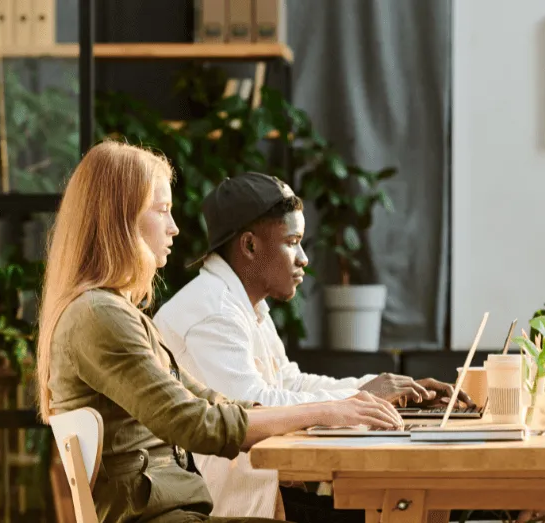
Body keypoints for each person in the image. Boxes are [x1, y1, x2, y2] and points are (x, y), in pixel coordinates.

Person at [36, 141, 403, 523]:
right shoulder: (99, 317)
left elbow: (215, 403)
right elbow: (198, 425)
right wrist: (327, 410)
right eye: (162, 211)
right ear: (119, 219)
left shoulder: (113, 313)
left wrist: (335, 409)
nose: (174, 228)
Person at [153, 172, 473, 521]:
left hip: (267, 488)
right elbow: (256, 409)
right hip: (232, 504)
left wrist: (373, 390)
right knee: (411, 508)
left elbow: (289, 382)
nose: (303, 257)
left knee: (421, 505)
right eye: (292, 241)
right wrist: (355, 402)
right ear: (249, 246)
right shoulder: (212, 313)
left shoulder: (240, 302)